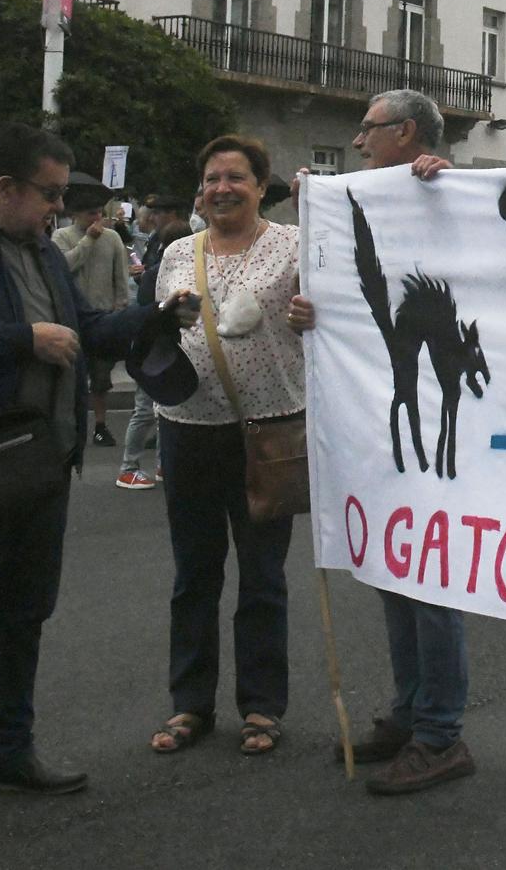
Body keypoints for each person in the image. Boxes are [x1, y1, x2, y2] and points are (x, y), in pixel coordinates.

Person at [0, 122, 196, 836]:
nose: (58, 209)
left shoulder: (40, 252)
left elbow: (85, 328)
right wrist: (22, 338)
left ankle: (5, 751)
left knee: (23, 618)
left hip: (40, 466)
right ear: (6, 187)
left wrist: (151, 319)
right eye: (51, 194)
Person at [291, 90, 471, 794]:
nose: (357, 141)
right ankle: (412, 710)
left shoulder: (439, 189)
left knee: (432, 582)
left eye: (367, 129)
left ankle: (440, 732)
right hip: (383, 422)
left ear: (404, 132)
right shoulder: (357, 200)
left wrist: (447, 179)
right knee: (398, 572)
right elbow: (351, 289)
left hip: (438, 419)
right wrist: (312, 310)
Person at [146, 137, 305, 759]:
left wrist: (312, 315)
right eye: (212, 178)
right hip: (186, 428)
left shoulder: (293, 247)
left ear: (261, 186)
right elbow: (155, 328)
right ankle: (190, 704)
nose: (222, 188)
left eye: (235, 177)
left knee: (262, 575)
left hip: (269, 431)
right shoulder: (177, 252)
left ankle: (262, 706)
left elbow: (336, 313)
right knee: (194, 575)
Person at [119, 199, 192, 490]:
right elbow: (148, 311)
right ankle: (128, 466)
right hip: (153, 350)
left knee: (166, 408)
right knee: (145, 409)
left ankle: (164, 463)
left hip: (170, 350)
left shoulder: (185, 271)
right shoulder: (156, 274)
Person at [53, 196, 132, 447]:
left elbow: (120, 275)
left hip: (102, 317)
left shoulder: (113, 239)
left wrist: (121, 306)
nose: (96, 218)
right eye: (90, 213)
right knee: (70, 376)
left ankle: (100, 425)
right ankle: (70, 425)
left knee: (101, 378)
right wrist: (88, 240)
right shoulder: (62, 237)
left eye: (98, 213)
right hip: (71, 318)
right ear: (76, 214)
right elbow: (63, 267)